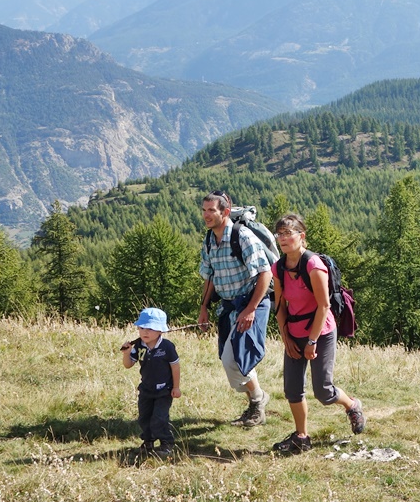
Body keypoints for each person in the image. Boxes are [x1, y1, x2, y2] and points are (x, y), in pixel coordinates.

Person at [269, 213, 366, 454]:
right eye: (279, 234)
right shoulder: (278, 267)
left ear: (301, 237)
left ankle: (352, 405)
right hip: (293, 331)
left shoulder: (313, 265)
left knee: (323, 390)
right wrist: (286, 338)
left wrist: (312, 340)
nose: (282, 238)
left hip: (320, 332)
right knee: (292, 389)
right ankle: (301, 436)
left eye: (288, 233)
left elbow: (324, 306)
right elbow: (279, 305)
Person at [196, 191, 273, 427]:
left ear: (225, 212)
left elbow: (265, 273)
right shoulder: (210, 240)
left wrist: (250, 309)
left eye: (212, 210)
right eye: (204, 210)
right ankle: (256, 404)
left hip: (252, 303)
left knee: (234, 360)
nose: (206, 215)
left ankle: (258, 401)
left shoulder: (242, 236)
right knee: (230, 358)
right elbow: (209, 277)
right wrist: (204, 308)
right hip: (229, 307)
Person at [121, 307, 181, 458]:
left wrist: (176, 387)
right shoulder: (139, 346)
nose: (145, 332)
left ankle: (167, 443)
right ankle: (148, 441)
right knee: (144, 417)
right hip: (146, 389)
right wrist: (127, 353)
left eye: (150, 329)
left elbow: (175, 366)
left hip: (164, 390)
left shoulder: (167, 347)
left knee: (159, 418)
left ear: (160, 330)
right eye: (142, 328)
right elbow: (128, 365)